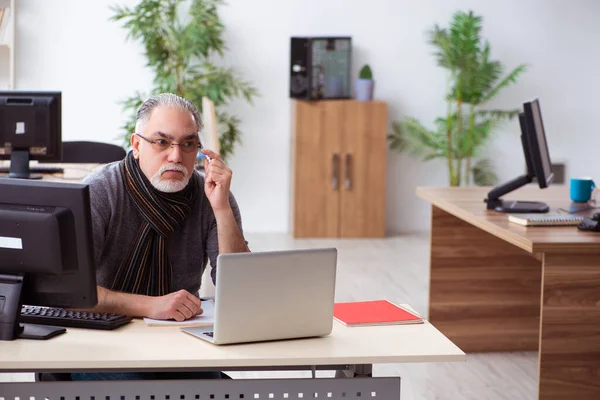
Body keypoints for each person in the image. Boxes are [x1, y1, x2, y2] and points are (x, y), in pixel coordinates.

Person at [48, 93, 248, 381]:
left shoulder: (213, 195)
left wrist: (222, 209)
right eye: (162, 142)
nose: (176, 156)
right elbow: (67, 292)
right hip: (103, 337)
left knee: (221, 390)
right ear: (137, 145)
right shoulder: (101, 191)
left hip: (179, 339)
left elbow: (239, 290)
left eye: (188, 144)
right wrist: (150, 306)